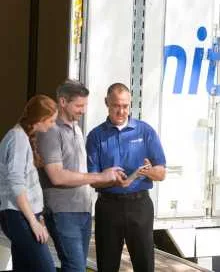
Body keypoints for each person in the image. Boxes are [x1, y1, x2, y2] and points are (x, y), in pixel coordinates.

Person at [37, 79, 125, 272]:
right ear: (62, 102)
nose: (83, 110)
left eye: (85, 105)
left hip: (83, 210)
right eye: (78, 105)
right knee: (75, 267)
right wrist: (100, 177)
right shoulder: (51, 131)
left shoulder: (76, 128)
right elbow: (57, 176)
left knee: (77, 267)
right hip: (63, 212)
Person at [86, 83, 166, 272]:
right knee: (107, 265)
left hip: (139, 206)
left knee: (144, 264)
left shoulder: (145, 132)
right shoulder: (96, 136)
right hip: (108, 207)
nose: (121, 111)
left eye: (125, 106)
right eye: (116, 106)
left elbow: (161, 173)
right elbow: (91, 178)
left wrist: (148, 172)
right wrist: (111, 179)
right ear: (107, 103)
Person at [0, 94, 57, 272]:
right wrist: (33, 222)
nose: (53, 125)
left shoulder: (22, 136)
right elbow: (15, 183)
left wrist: (36, 216)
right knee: (46, 268)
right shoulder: (17, 138)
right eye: (51, 121)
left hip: (21, 215)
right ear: (40, 119)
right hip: (19, 216)